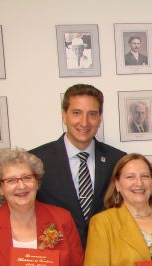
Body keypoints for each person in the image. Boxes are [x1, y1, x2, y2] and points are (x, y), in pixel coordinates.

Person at [30, 84, 125, 248]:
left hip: (106, 258)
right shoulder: (35, 160)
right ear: (64, 115)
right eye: (76, 113)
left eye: (92, 114)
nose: (84, 122)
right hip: (57, 259)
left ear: (100, 118)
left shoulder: (118, 160)